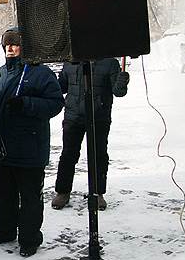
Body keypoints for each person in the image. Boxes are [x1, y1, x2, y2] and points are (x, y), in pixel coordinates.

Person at [0, 27, 63, 257]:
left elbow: (56, 103)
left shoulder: (41, 73)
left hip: (30, 148)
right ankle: (3, 231)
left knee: (29, 198)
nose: (10, 47)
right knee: (3, 194)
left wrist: (26, 104)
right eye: (7, 43)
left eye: (15, 43)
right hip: (3, 148)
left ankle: (29, 238)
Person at [52, 59, 129, 210]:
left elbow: (119, 92)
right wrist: (51, 79)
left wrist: (122, 81)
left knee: (98, 155)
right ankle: (63, 191)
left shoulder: (109, 62)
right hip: (73, 116)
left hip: (98, 117)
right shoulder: (71, 61)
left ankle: (98, 193)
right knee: (68, 154)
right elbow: (61, 87)